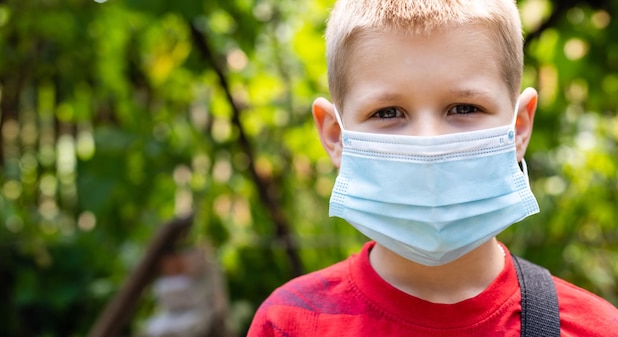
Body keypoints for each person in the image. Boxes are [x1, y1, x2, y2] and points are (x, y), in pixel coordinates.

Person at [246, 0, 618, 336]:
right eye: (388, 113)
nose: (428, 145)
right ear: (335, 135)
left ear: (518, 127)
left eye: (463, 108)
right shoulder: (288, 323)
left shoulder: (593, 329)